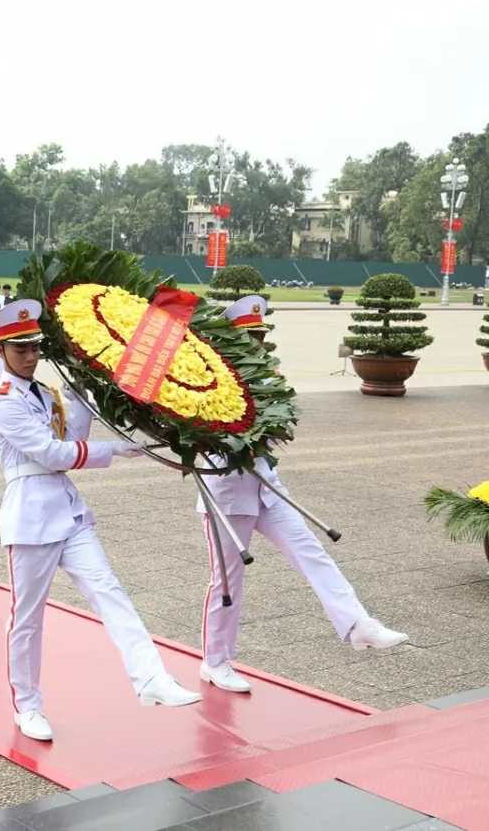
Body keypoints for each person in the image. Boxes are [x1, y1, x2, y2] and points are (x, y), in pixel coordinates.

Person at [0, 298, 201, 743]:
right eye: (20, 349)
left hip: (67, 511)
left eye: (35, 348)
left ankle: (151, 678)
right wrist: (115, 449)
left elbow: (72, 439)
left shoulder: (45, 394)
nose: (30, 356)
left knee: (110, 592)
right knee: (27, 618)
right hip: (30, 516)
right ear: (1, 351)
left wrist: (85, 388)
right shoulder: (2, 402)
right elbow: (52, 454)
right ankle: (27, 706)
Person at [195, 296, 409, 694]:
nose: (257, 343)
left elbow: (281, 427)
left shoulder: (268, 378)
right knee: (227, 582)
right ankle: (215, 661)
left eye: (260, 335)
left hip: (268, 489)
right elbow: (199, 438)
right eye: (249, 336)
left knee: (312, 552)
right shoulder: (206, 381)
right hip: (225, 495)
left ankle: (358, 623)